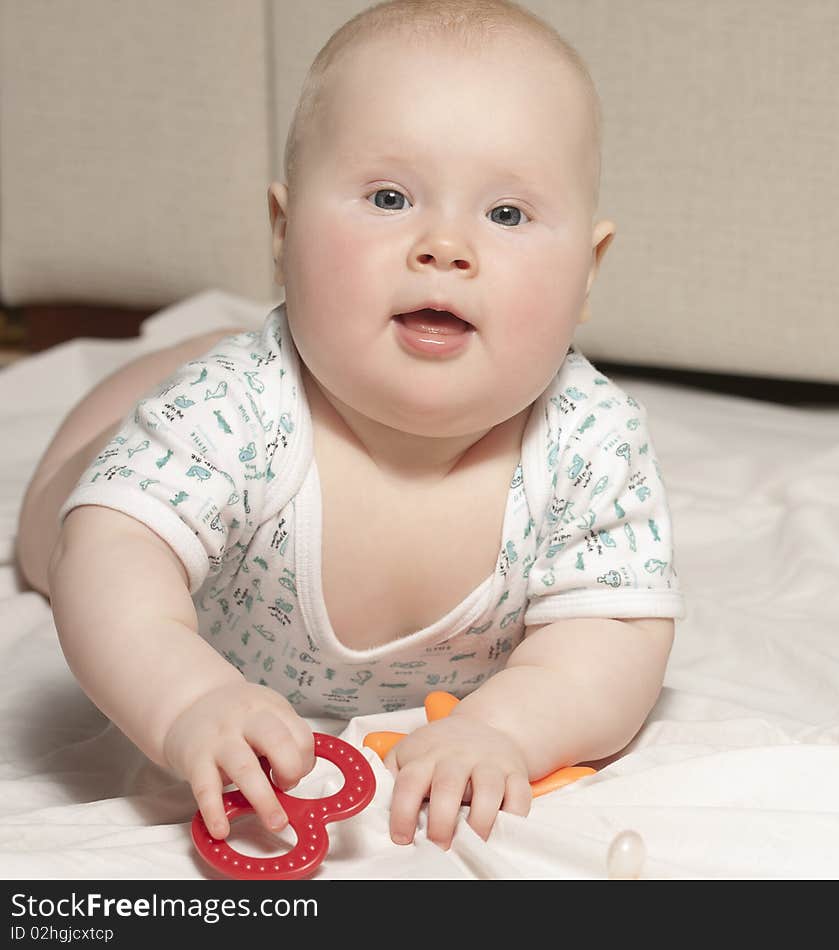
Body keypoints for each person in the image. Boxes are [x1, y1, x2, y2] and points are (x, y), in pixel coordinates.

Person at [15, 0, 684, 853]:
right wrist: (187, 700)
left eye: (507, 215)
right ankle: (180, 362)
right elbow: (113, 560)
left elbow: (613, 638)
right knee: (60, 535)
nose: (445, 246)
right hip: (174, 430)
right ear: (284, 230)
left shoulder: (590, 442)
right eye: (391, 196)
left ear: (587, 273)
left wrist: (509, 729)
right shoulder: (236, 411)